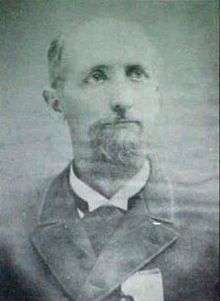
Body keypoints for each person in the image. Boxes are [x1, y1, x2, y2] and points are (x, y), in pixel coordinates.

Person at [0, 17, 218, 301]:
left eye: (136, 74)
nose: (123, 99)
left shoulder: (211, 226)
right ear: (56, 103)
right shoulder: (9, 234)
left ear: (157, 95)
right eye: (97, 76)